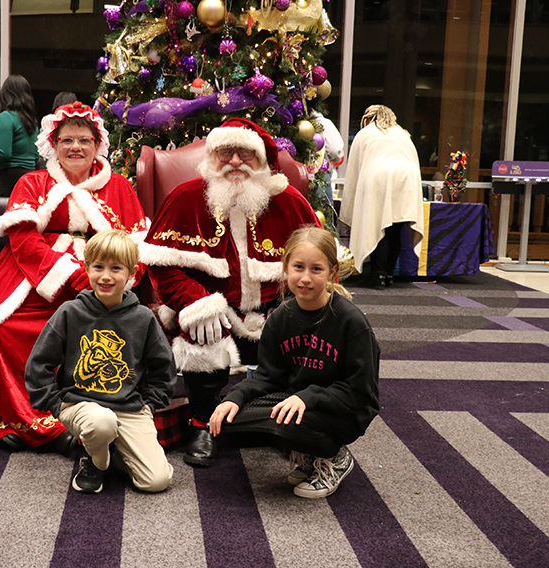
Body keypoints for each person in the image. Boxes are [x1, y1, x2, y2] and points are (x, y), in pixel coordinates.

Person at [0, 101, 150, 455]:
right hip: (30, 280)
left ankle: (93, 418)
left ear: (98, 144)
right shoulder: (32, 182)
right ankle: (24, 420)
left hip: (102, 283)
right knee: (4, 331)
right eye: (67, 140)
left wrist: (111, 283)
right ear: (53, 144)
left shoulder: (119, 187)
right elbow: (23, 240)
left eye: (84, 140)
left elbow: (136, 246)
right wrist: (70, 274)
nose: (75, 147)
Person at [140, 117, 321, 468]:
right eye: (226, 152)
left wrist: (292, 308)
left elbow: (319, 259)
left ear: (262, 159)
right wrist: (197, 302)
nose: (235, 161)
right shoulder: (185, 198)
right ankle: (202, 423)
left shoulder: (289, 201)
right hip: (213, 310)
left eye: (244, 153)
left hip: (273, 309)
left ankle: (285, 418)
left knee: (303, 336)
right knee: (203, 330)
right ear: (212, 157)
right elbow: (160, 264)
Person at [210, 226, 380, 498]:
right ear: (286, 268)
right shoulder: (280, 317)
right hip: (297, 400)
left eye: (316, 269)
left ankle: (334, 456)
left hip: (343, 410)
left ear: (332, 272)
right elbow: (268, 377)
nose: (305, 278)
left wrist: (308, 397)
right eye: (298, 267)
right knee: (226, 420)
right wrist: (234, 398)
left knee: (285, 422)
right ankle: (306, 453)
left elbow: (361, 393)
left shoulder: (351, 321)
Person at [26, 229, 176, 494]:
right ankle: (96, 461)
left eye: (116, 268)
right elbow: (39, 364)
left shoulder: (143, 318)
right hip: (80, 404)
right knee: (100, 422)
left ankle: (109, 448)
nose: (106, 276)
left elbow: (163, 368)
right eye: (98, 267)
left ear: (131, 273)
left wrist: (151, 405)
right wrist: (56, 405)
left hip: (128, 408)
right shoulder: (70, 312)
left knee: (156, 481)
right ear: (87, 269)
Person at [339, 104, 424, 289]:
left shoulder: (365, 133)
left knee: (378, 226)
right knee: (396, 227)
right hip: (407, 179)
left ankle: (377, 275)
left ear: (369, 118)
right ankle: (389, 273)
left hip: (378, 177)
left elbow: (353, 171)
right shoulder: (402, 133)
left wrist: (351, 203)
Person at [0, 74, 39, 197]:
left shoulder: (6, 117)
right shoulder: (32, 121)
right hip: (30, 180)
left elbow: (4, 153)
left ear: (5, 94)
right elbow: (35, 155)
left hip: (8, 180)